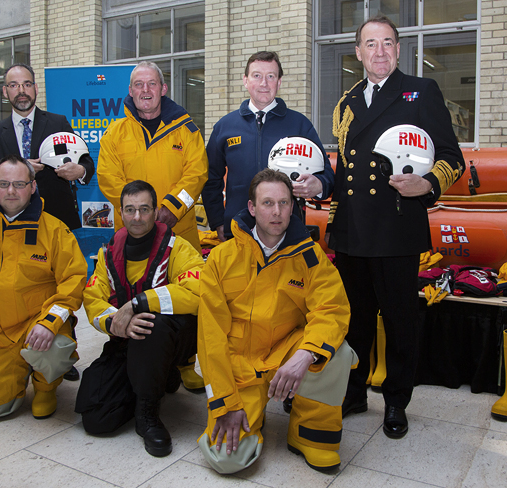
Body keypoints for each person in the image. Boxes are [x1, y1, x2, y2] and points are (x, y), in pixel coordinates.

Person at [328, 15, 465, 439]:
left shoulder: (421, 91)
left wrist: (426, 183)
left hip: (398, 226)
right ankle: (353, 392)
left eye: (388, 43)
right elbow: (346, 170)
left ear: (399, 49)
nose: (380, 51)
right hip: (352, 228)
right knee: (355, 321)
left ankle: (396, 400)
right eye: (371, 44)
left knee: (402, 321)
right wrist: (319, 184)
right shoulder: (347, 102)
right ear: (358, 52)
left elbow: (452, 157)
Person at [197, 169, 356, 474]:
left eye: (284, 203)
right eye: (268, 203)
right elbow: (210, 337)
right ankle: (251, 414)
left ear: (293, 207)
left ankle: (309, 434)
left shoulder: (311, 257)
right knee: (227, 460)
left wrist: (305, 354)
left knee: (336, 352)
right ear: (252, 208)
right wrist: (225, 404)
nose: (277, 212)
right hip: (239, 365)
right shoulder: (221, 258)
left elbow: (332, 310)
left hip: (286, 353)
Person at [0, 156, 87, 419]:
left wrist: (50, 322)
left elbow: (74, 282)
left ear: (33, 187)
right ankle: (16, 374)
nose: (11, 191)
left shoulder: (55, 230)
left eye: (19, 184)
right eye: (4, 183)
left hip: (41, 329)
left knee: (55, 353)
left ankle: (46, 386)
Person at [0, 62, 95, 381]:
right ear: (5, 92)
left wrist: (81, 171)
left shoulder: (57, 122)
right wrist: (11, 169)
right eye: (14, 86)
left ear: (35, 88)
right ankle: (20, 351)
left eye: (27, 84)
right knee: (20, 288)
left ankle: (65, 354)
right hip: (12, 225)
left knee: (62, 285)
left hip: (55, 219)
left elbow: (83, 159)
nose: (21, 91)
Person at [97, 60, 208, 391]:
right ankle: (135, 354)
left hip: (178, 230)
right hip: (133, 235)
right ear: (130, 91)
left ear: (163, 88)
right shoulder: (115, 133)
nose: (145, 90)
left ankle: (187, 363)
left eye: (151, 84)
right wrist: (139, 213)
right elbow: (107, 176)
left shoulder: (186, 129)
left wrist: (171, 207)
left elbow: (197, 172)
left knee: (187, 296)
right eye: (138, 85)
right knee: (134, 293)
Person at [79, 180, 204, 457]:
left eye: (145, 209)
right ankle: (157, 377)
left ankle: (147, 415)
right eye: (130, 210)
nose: (137, 217)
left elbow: (199, 291)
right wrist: (115, 322)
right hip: (128, 339)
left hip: (174, 337)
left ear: (156, 211)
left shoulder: (177, 247)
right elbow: (92, 299)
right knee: (97, 419)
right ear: (120, 212)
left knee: (152, 324)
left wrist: (139, 303)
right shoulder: (107, 253)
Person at [203, 51, 335, 241]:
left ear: (279, 82)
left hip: (288, 234)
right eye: (257, 76)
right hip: (239, 232)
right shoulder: (225, 126)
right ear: (245, 80)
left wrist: (319, 184)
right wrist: (217, 221)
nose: (264, 83)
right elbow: (210, 178)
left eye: (270, 76)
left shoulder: (299, 125)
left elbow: (327, 175)